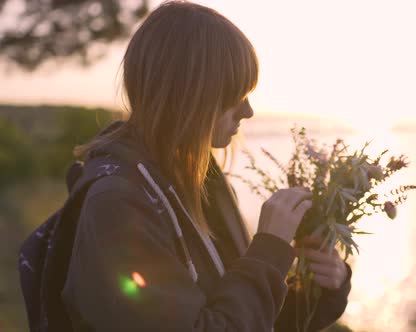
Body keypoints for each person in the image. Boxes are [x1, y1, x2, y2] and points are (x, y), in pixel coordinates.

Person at [61, 1, 352, 331]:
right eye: (235, 94)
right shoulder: (116, 207)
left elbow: (248, 319)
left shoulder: (201, 180)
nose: (248, 111)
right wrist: (268, 250)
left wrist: (323, 288)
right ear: (189, 93)